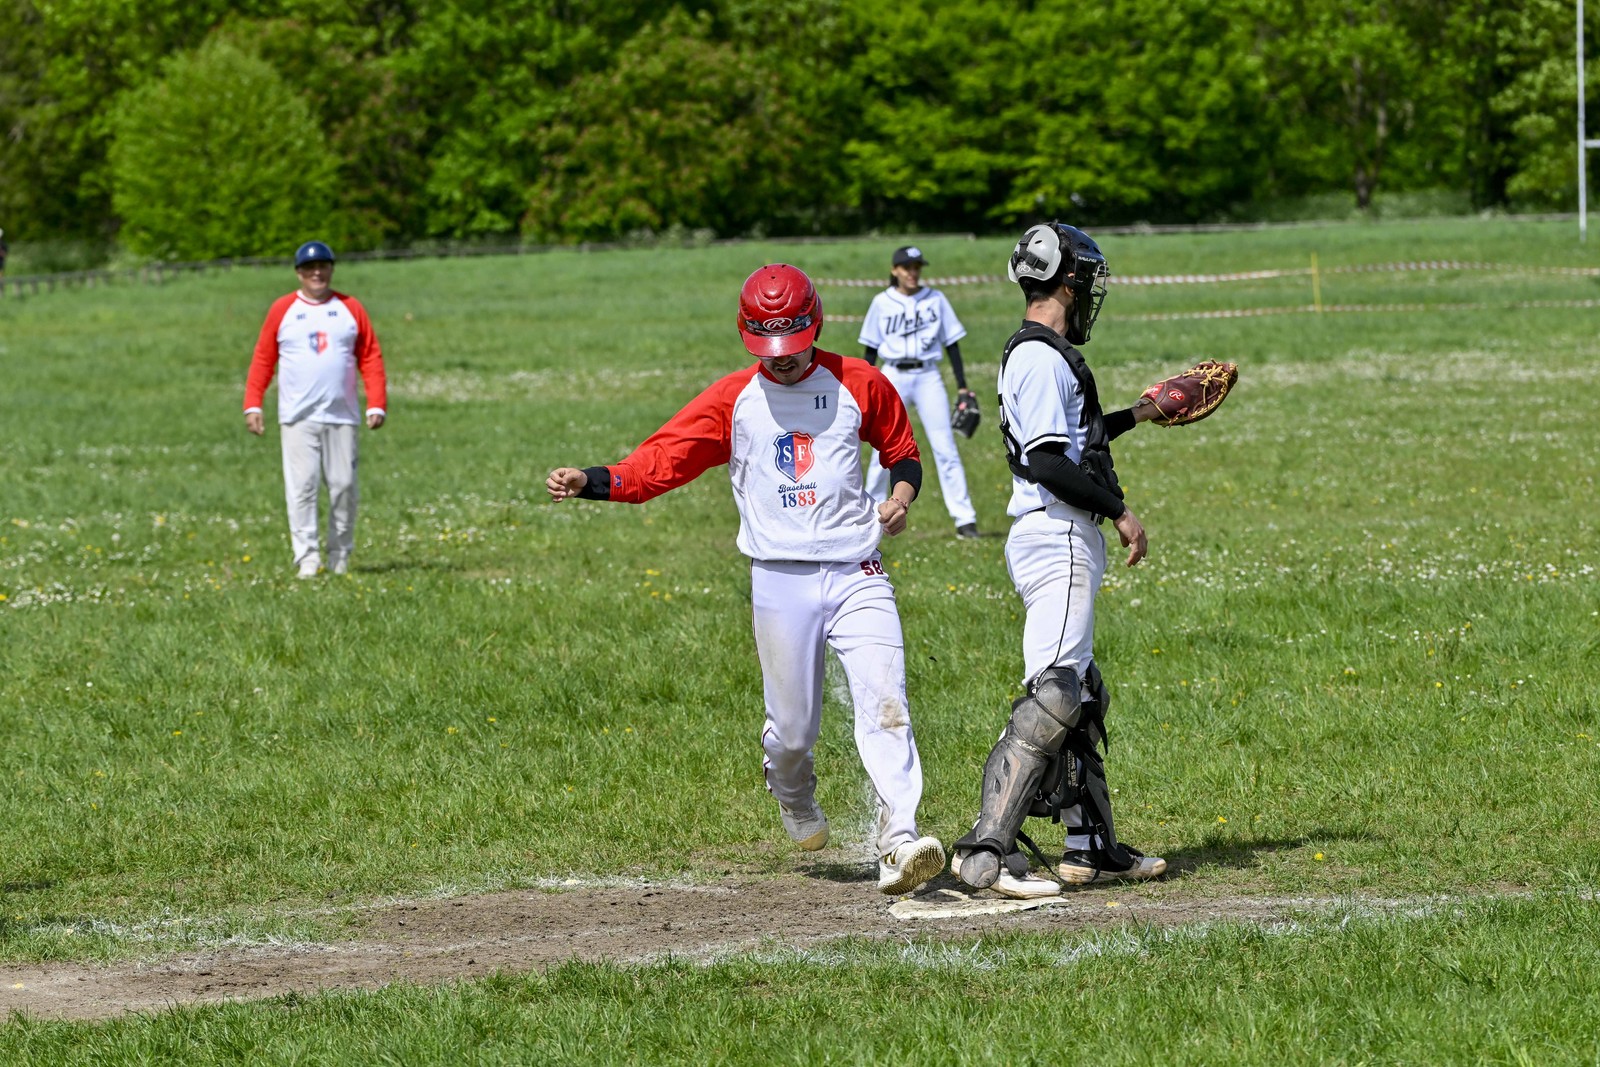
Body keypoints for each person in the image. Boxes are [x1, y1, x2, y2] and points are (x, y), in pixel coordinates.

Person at [546, 264, 946, 896]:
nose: (782, 363)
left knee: (886, 704)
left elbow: (902, 453)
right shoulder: (734, 399)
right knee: (793, 732)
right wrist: (593, 480)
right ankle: (789, 785)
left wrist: (899, 498)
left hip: (857, 569)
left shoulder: (861, 383)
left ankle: (899, 837)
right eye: (768, 350)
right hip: (778, 579)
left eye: (792, 347)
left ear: (815, 326)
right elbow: (661, 462)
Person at [951, 222, 1167, 899]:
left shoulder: (1036, 355)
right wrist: (1119, 508)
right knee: (1057, 694)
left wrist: (1145, 411)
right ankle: (987, 847)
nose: (1090, 292)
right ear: (1067, 281)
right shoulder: (1042, 358)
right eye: (1086, 279)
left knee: (1082, 690)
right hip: (1060, 533)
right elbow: (1049, 463)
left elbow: (1074, 438)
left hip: (1052, 533)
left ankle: (1092, 846)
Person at [243, 240, 387, 578]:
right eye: (309, 268)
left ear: (331, 269)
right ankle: (307, 559)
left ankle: (339, 557)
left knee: (343, 486)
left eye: (322, 266)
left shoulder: (350, 308)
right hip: (297, 416)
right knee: (302, 487)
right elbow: (264, 357)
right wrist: (253, 403)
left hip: (341, 414)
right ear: (299, 273)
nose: (317, 273)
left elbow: (370, 356)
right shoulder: (283, 310)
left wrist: (376, 402)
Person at [858, 246, 981, 538]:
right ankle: (870, 514)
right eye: (906, 267)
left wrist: (962, 385)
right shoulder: (881, 302)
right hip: (893, 375)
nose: (912, 273)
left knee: (945, 447)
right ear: (895, 270)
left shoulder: (935, 299)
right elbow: (871, 350)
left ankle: (965, 519)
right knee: (881, 448)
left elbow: (952, 343)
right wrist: (864, 386)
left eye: (916, 267)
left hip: (927, 375)